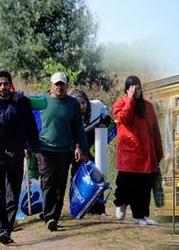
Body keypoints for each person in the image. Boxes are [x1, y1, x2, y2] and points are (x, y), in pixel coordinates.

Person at [0, 70, 43, 245]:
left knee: (13, 193)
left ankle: (6, 231)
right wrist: (14, 102)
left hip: (16, 152)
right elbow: (4, 119)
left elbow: (31, 127)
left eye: (6, 84)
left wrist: (36, 150)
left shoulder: (22, 102)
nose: (3, 87)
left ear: (11, 84)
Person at [39, 72, 88, 231]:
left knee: (60, 184)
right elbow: (29, 121)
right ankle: (48, 215)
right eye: (56, 84)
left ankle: (54, 216)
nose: (59, 87)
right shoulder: (41, 100)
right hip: (45, 149)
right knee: (48, 182)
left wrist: (80, 147)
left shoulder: (72, 104)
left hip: (65, 149)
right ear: (51, 85)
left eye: (62, 84)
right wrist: (28, 145)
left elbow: (78, 128)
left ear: (67, 86)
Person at [112, 76, 163, 225]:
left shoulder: (148, 106)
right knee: (125, 183)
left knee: (143, 186)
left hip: (146, 153)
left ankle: (140, 216)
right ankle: (121, 202)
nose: (137, 91)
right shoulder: (121, 103)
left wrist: (159, 152)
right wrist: (130, 99)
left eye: (139, 88)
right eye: (133, 88)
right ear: (127, 89)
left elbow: (155, 130)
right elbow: (124, 118)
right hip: (129, 152)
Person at [68, 88, 113, 215]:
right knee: (77, 175)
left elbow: (107, 118)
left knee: (97, 174)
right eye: (77, 103)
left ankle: (99, 209)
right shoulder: (69, 113)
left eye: (83, 102)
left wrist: (104, 123)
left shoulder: (97, 106)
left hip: (94, 145)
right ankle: (78, 206)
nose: (81, 106)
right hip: (77, 147)